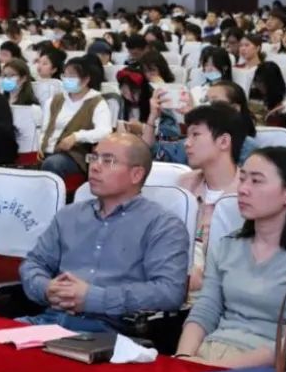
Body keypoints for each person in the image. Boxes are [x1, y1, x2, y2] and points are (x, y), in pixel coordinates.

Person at [20, 133, 190, 332]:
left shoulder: (162, 225)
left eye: (108, 161)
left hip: (107, 334)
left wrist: (93, 298)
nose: (95, 166)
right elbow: (33, 263)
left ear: (136, 174)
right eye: (93, 158)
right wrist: (47, 288)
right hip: (48, 322)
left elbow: (169, 292)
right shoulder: (69, 215)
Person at [175, 147, 286, 368]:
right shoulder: (227, 246)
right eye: (242, 179)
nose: (242, 189)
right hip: (208, 353)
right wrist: (183, 358)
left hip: (260, 369)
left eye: (256, 181)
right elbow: (205, 310)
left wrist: (218, 369)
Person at [177, 104, 246, 294]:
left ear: (224, 141)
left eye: (195, 135)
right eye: (187, 135)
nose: (186, 143)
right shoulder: (184, 185)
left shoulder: (247, 193)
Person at [38, 57, 112, 179]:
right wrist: (40, 144)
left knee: (53, 163)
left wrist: (77, 136)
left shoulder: (96, 102)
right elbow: (44, 128)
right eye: (65, 75)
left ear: (85, 79)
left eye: (72, 76)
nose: (67, 80)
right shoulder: (55, 100)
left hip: (74, 155)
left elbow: (105, 132)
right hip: (48, 150)